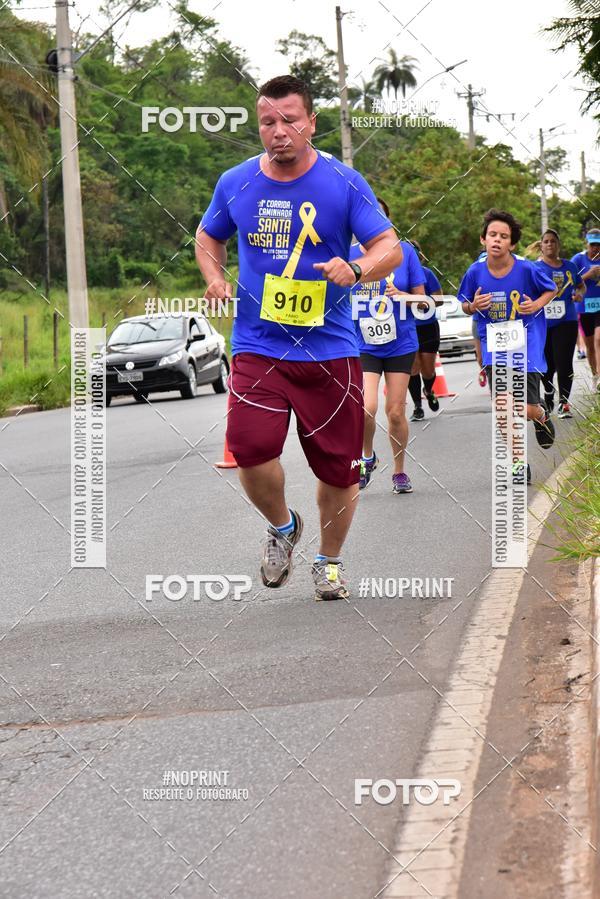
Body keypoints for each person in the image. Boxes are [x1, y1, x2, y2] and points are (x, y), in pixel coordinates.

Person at [195, 75, 402, 601]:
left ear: (311, 122)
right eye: (269, 122)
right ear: (258, 126)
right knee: (249, 449)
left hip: (330, 350)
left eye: (290, 120)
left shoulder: (343, 181)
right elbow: (207, 236)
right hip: (258, 345)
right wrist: (215, 277)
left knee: (339, 468)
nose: (279, 131)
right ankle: (284, 527)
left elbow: (389, 248)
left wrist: (356, 269)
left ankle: (329, 561)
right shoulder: (235, 182)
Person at [459, 209, 557, 485]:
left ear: (512, 244)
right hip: (495, 347)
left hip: (526, 346)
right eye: (493, 235)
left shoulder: (527, 269)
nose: (497, 240)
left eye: (504, 236)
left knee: (524, 409)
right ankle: (518, 463)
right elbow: (464, 304)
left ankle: (540, 414)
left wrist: (536, 304)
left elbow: (550, 290)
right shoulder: (475, 271)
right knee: (503, 407)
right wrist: (473, 306)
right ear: (483, 239)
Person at [351, 202, 425, 494]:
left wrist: (402, 295)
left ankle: (399, 471)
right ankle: (367, 456)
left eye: (379, 215)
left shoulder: (405, 252)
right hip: (363, 343)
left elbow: (423, 301)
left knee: (395, 412)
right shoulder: (348, 254)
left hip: (400, 343)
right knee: (366, 408)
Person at [536, 229, 585, 418]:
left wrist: (579, 293)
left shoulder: (570, 266)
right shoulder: (534, 268)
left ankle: (564, 402)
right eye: (546, 242)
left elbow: (581, 285)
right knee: (546, 365)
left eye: (553, 241)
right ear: (541, 246)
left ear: (559, 245)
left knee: (564, 362)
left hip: (567, 320)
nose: (549, 244)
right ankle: (548, 390)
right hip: (542, 322)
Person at [406, 240, 443, 420]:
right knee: (413, 367)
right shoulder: (397, 276)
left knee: (427, 370)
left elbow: (440, 298)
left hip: (427, 327)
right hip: (407, 327)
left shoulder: (427, 274)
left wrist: (423, 301)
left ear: (420, 256)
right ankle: (417, 407)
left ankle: (428, 390)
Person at [571, 228, 600, 389]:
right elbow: (570, 281)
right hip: (584, 308)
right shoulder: (578, 259)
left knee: (599, 339)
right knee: (590, 346)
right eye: (593, 244)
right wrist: (589, 274)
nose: (596, 248)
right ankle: (595, 376)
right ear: (587, 244)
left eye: (599, 245)